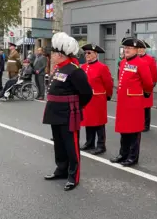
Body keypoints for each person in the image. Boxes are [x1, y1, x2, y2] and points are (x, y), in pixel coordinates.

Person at [43, 32, 93, 191]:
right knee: (59, 144)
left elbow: (86, 93)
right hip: (55, 112)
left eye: (54, 53)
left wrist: (76, 107)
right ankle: (61, 169)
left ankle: (73, 175)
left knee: (71, 146)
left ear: (60, 55)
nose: (52, 56)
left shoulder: (74, 70)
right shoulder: (59, 68)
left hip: (68, 113)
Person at [109, 37, 153, 167]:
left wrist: (145, 93)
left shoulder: (141, 63)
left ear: (136, 50)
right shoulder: (123, 62)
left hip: (134, 102)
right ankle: (123, 154)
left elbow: (148, 83)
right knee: (124, 130)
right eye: (125, 48)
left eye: (129, 48)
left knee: (134, 131)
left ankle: (132, 157)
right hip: (123, 102)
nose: (126, 50)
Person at [80, 43, 113, 155]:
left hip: (98, 98)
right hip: (87, 99)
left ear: (95, 54)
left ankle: (101, 145)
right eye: (85, 53)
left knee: (99, 122)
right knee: (88, 121)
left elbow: (108, 83)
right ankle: (89, 143)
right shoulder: (83, 67)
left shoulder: (102, 67)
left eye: (89, 53)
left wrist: (108, 95)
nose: (87, 55)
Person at [138, 40, 157, 132]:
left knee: (146, 107)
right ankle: (138, 123)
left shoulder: (150, 59)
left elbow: (154, 73)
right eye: (139, 48)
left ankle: (146, 125)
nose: (140, 50)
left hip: (146, 87)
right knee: (138, 107)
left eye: (142, 48)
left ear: (145, 49)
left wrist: (151, 85)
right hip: (137, 87)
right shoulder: (135, 59)